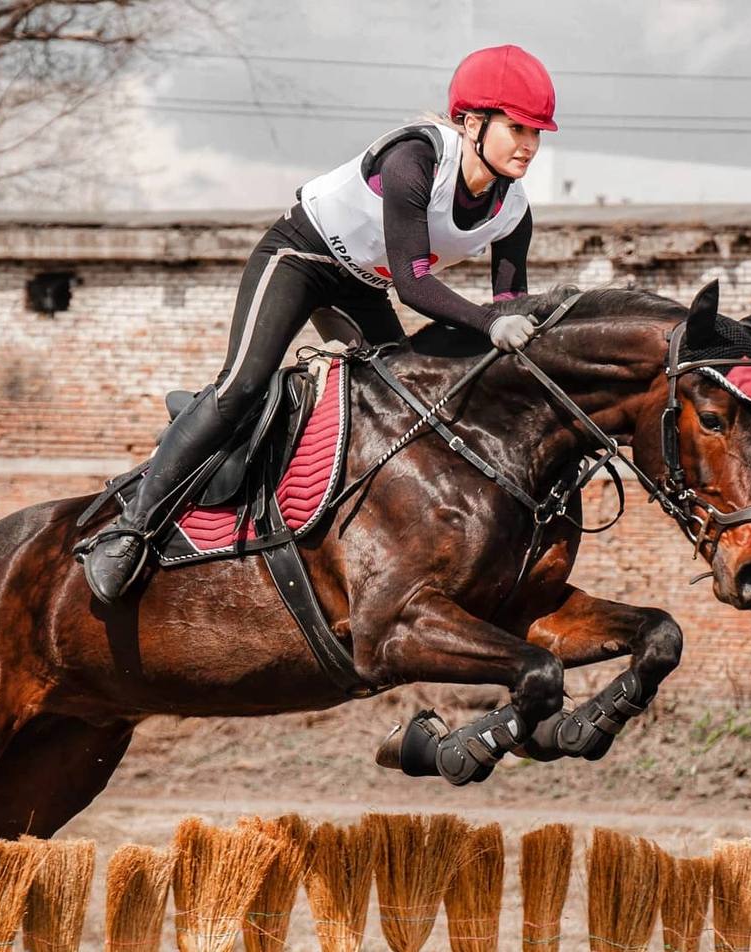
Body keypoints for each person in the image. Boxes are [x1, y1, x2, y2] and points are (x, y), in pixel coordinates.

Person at [77, 44, 558, 603]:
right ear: (473, 123)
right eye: (518, 128)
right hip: (301, 258)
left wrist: (517, 327)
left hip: (362, 286)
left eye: (537, 134)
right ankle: (131, 527)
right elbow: (414, 283)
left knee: (408, 406)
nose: (529, 146)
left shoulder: (514, 209)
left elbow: (509, 301)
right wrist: (487, 324)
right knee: (241, 386)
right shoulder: (415, 161)